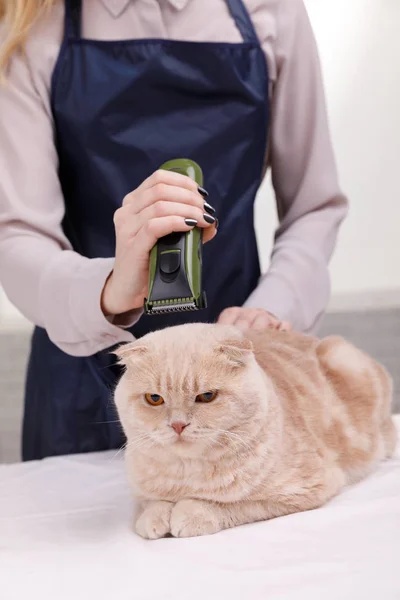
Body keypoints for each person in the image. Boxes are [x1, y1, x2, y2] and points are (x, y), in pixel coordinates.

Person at [0, 0, 348, 461]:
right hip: (84, 384)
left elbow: (314, 208)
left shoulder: (272, 9)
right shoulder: (32, 18)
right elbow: (17, 236)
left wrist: (266, 318)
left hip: (236, 383)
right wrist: (109, 288)